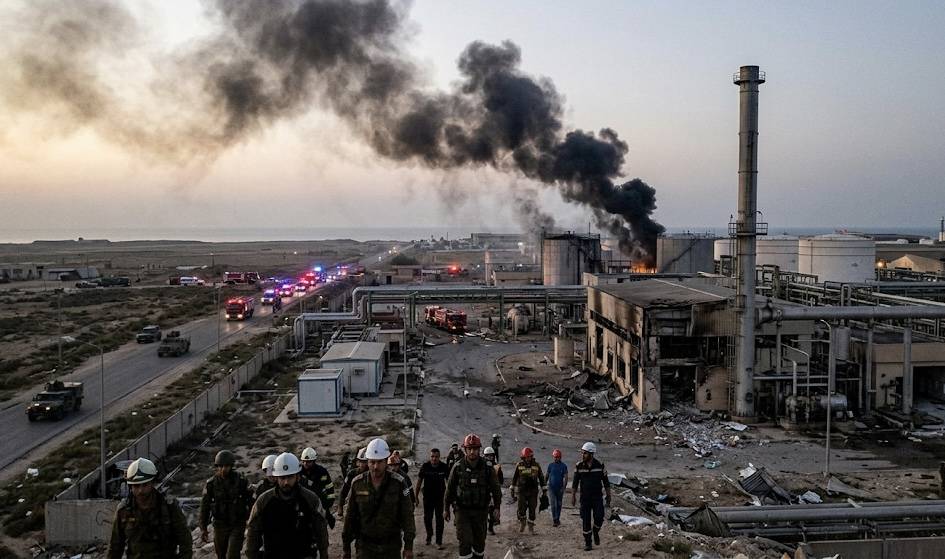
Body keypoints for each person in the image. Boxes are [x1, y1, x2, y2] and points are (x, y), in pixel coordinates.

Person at [243, 452, 330, 559]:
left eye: (290, 477)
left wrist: (324, 554)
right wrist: (251, 555)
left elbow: (321, 529)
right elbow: (253, 530)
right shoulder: (264, 500)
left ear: (297, 476)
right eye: (282, 478)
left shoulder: (310, 499)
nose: (286, 482)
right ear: (276, 477)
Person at [341, 438, 416, 559]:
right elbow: (350, 516)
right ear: (367, 462)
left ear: (386, 461)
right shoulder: (357, 483)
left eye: (380, 462)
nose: (375, 466)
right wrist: (346, 548)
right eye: (372, 462)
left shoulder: (399, 483)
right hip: (365, 547)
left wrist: (408, 547)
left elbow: (407, 516)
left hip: (390, 547)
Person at [107, 457, 192, 559]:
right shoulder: (124, 510)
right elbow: (115, 547)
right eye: (136, 486)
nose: (140, 490)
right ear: (130, 486)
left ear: (152, 483)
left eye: (145, 485)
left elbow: (185, 540)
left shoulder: (168, 507)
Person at [444, 434, 502, 559]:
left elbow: (496, 489)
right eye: (469, 448)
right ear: (465, 449)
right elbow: (449, 489)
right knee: (464, 541)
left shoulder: (487, 467)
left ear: (479, 449)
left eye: (475, 448)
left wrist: (497, 507)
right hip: (462, 511)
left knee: (479, 544)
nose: (472, 451)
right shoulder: (458, 467)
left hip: (481, 512)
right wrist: (446, 508)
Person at [198, 450, 253, 559]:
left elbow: (251, 501)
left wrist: (251, 521)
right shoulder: (211, 484)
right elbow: (205, 507)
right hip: (220, 525)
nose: (223, 469)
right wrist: (203, 528)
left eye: (226, 466)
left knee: (232, 554)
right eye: (221, 466)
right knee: (221, 555)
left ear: (231, 466)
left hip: (237, 523)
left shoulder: (241, 481)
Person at [571, 442, 611, 551]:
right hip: (585, 499)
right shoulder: (579, 466)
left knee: (599, 517)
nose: (582, 455)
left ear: (591, 454)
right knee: (586, 520)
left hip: (597, 497)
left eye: (585, 453)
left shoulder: (600, 465)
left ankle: (596, 531)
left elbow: (606, 482)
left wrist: (608, 495)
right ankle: (588, 543)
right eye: (582, 453)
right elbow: (575, 483)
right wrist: (573, 496)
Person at [415, 448, 449, 547]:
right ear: (430, 457)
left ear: (439, 457)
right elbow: (419, 482)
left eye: (436, 457)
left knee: (439, 520)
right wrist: (416, 496)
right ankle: (429, 536)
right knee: (427, 518)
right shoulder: (425, 466)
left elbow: (449, 483)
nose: (434, 459)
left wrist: (449, 498)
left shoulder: (444, 467)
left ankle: (439, 541)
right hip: (428, 498)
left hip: (440, 498)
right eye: (432, 456)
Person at [510, 447, 546, 534]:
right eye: (526, 457)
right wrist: (512, 488)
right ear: (523, 457)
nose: (528, 459)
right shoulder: (519, 465)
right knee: (521, 508)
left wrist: (544, 489)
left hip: (533, 491)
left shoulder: (536, 465)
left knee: (532, 508)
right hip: (522, 490)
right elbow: (515, 478)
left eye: (529, 457)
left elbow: (541, 478)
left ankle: (530, 527)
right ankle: (523, 522)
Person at [300, 447, 337, 527]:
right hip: (304, 505)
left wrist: (328, 504)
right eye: (304, 461)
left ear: (314, 461)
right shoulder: (299, 472)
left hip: (320, 503)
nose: (305, 463)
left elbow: (329, 488)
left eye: (308, 462)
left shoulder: (321, 472)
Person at [338, 447, 368, 517]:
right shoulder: (352, 473)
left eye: (365, 462)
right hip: (356, 504)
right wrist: (340, 506)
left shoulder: (375, 473)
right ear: (357, 462)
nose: (363, 464)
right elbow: (344, 491)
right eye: (361, 461)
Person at [482, 447, 504, 535]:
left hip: (493, 492)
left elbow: (501, 480)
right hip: (482, 491)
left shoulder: (497, 467)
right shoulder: (480, 466)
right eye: (488, 456)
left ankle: (490, 528)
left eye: (491, 456)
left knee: (492, 511)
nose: (489, 457)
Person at [546, 449, 569, 527]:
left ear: (560, 457)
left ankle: (557, 519)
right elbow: (547, 475)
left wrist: (563, 488)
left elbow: (566, 478)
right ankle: (554, 520)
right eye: (555, 457)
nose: (556, 458)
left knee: (559, 504)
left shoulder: (563, 466)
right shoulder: (550, 465)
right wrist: (544, 485)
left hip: (559, 488)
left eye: (557, 457)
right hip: (551, 488)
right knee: (553, 504)